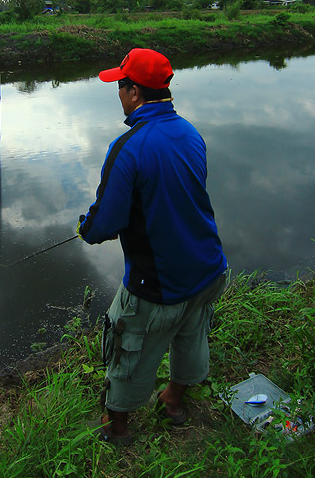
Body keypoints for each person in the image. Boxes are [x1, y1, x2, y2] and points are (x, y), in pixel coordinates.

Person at [77, 47, 227, 445]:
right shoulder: (191, 133)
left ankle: (118, 428)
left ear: (133, 93)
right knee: (192, 333)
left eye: (120, 86)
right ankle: (174, 402)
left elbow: (102, 224)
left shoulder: (128, 147)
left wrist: (84, 228)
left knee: (128, 346)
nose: (119, 93)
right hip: (209, 268)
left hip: (158, 285)